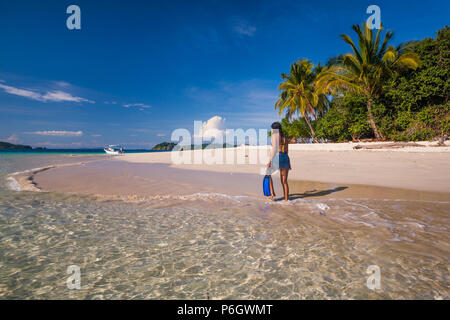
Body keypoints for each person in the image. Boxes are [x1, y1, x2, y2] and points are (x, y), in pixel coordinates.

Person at [267, 122, 291, 201]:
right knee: (284, 181)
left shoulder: (275, 136)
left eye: (271, 128)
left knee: (268, 173)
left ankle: (272, 193)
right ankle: (286, 200)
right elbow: (287, 151)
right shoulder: (285, 137)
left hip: (278, 157)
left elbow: (274, 149)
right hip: (285, 157)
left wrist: (270, 160)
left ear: (274, 129)